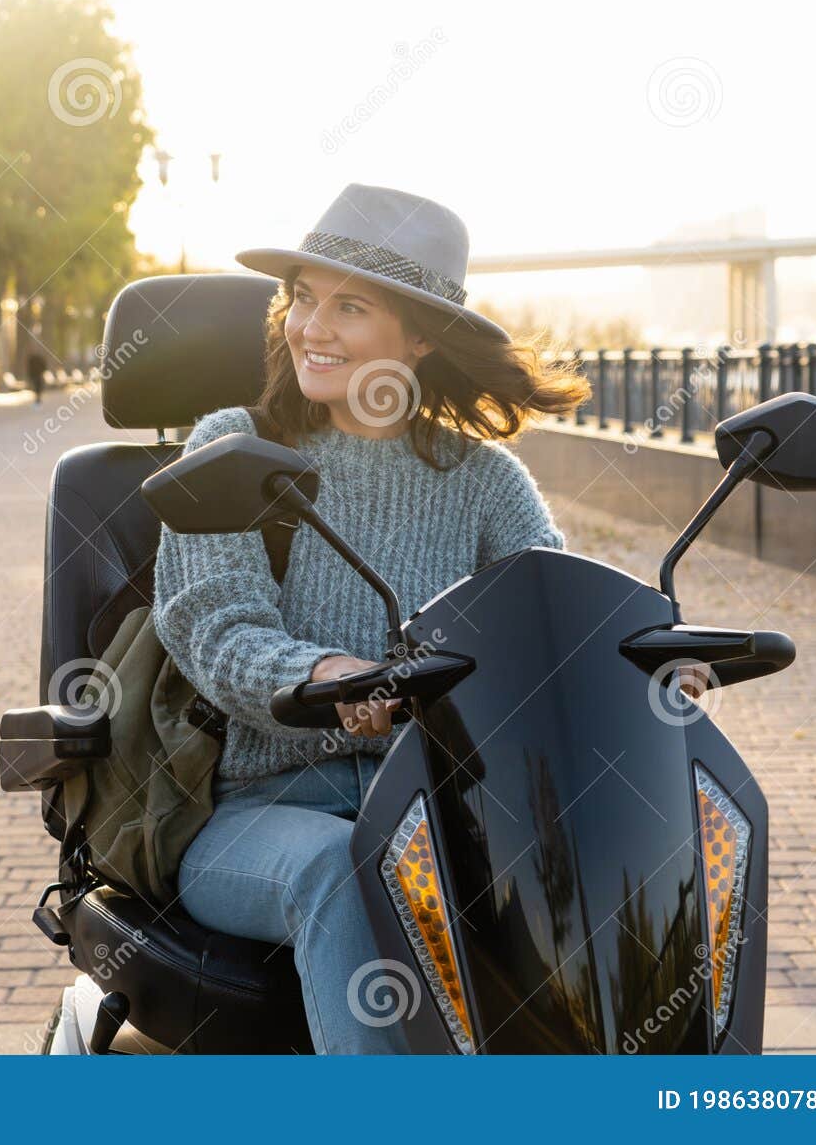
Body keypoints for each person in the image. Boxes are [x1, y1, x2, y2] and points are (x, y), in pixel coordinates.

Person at [153, 183, 663, 1054]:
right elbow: (216, 626)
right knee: (341, 871)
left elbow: (552, 618)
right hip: (259, 807)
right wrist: (322, 677)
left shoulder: (485, 480)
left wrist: (647, 661)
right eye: (303, 297)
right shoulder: (234, 444)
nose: (311, 326)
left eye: (348, 306)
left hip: (443, 803)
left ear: (420, 336)